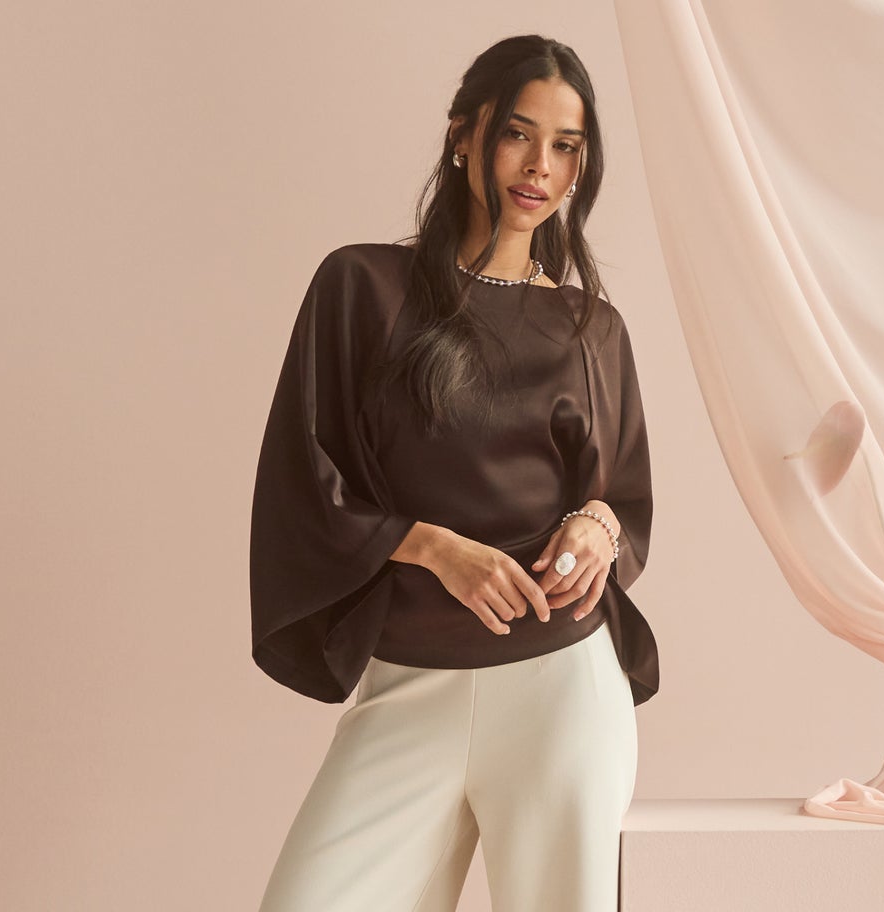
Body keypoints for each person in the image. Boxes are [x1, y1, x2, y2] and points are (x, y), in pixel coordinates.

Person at [248, 34, 659, 912]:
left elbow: (619, 497)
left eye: (566, 146)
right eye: (517, 133)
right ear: (463, 134)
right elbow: (301, 481)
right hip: (408, 684)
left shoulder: (593, 330)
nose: (540, 167)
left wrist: (597, 527)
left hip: (560, 683)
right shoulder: (361, 287)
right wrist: (431, 546)